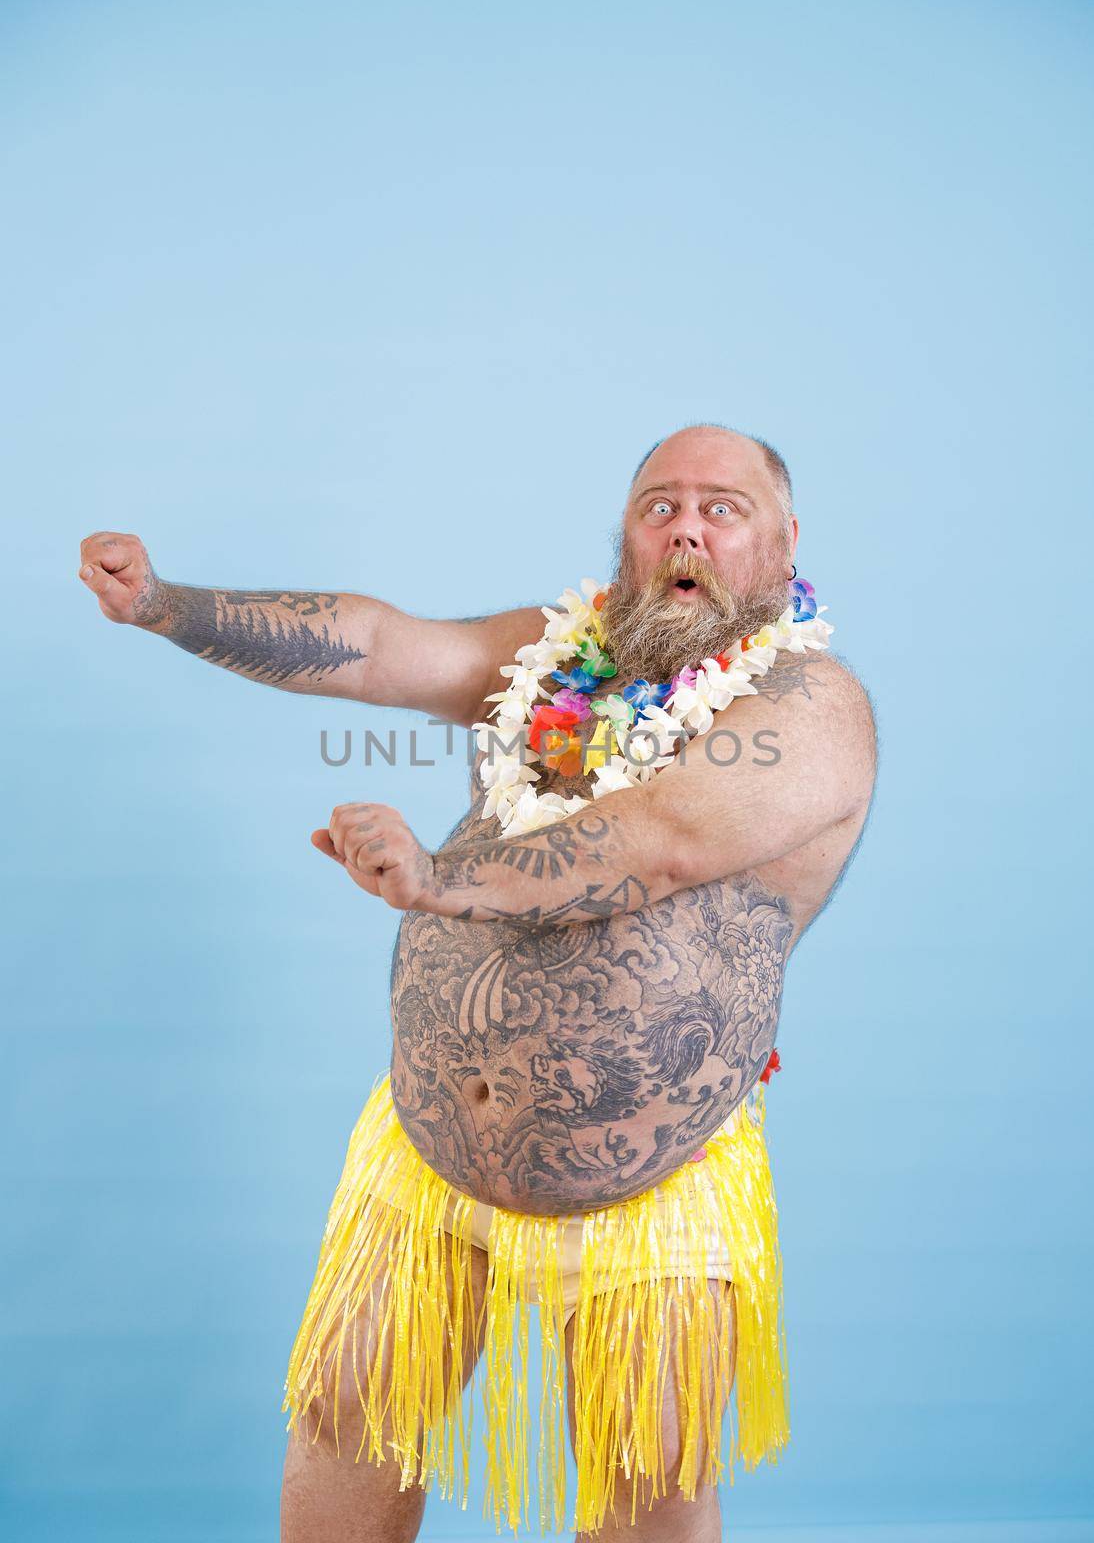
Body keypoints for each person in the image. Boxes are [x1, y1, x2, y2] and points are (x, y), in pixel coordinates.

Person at [78, 423, 877, 1543]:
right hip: (427, 1155)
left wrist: (439, 880)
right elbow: (383, 645)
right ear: (626, 538)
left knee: (646, 1477)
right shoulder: (556, 653)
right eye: (658, 505)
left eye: (721, 507)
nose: (684, 525)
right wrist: (170, 604)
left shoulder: (810, 708)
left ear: (785, 541)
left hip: (649, 1176)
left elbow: (661, 839)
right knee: (346, 1412)